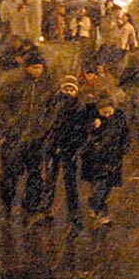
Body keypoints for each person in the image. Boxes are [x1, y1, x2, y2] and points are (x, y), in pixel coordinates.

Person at [0, 53, 55, 221]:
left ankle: (31, 206)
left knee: (35, 174)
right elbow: (1, 102)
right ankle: (7, 204)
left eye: (40, 67)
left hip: (36, 137)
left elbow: (52, 108)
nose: (38, 71)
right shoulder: (15, 82)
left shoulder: (47, 85)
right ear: (27, 68)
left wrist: (44, 127)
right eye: (35, 67)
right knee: (10, 173)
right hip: (16, 136)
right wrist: (11, 122)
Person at [44, 75, 97, 229]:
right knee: (50, 178)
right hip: (54, 146)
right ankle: (47, 207)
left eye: (71, 89)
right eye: (66, 89)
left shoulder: (81, 106)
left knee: (70, 181)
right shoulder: (54, 102)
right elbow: (48, 121)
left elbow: (86, 125)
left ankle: (73, 211)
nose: (68, 92)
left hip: (70, 147)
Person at [81, 90, 131, 227]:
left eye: (110, 112)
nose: (108, 115)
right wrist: (93, 127)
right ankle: (99, 211)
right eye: (105, 113)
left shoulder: (120, 118)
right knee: (100, 186)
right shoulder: (91, 118)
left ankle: (96, 206)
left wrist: (123, 149)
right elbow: (85, 136)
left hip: (113, 158)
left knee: (107, 187)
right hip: (96, 159)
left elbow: (125, 135)